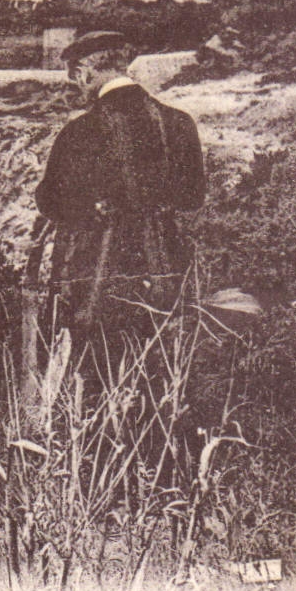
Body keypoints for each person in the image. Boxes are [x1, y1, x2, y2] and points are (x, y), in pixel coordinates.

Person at [34, 31, 205, 386]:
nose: (77, 86)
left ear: (84, 72)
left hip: (100, 278)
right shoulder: (180, 122)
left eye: (75, 78)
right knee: (163, 367)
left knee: (102, 373)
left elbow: (51, 202)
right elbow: (193, 198)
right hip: (167, 270)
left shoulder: (79, 132)